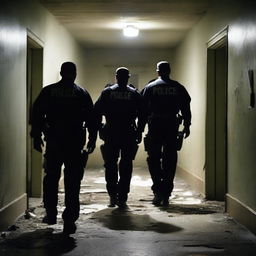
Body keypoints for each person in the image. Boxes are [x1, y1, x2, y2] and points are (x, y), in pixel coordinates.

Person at [30, 62, 96, 234]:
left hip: (54, 141)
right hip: (74, 142)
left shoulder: (49, 91)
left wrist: (36, 137)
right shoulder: (81, 92)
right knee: (73, 181)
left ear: (61, 73)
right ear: (74, 74)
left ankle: (51, 214)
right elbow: (91, 118)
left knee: (51, 178)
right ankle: (69, 221)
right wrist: (92, 139)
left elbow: (36, 114)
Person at [142, 61, 191, 206]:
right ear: (169, 71)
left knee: (154, 159)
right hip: (171, 126)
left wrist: (139, 129)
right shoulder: (178, 87)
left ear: (157, 72)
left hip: (155, 126)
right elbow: (186, 108)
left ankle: (158, 191)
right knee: (170, 159)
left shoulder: (150, 87)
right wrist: (187, 125)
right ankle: (167, 193)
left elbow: (143, 109)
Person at [94, 67, 144, 208]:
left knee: (110, 164)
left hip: (111, 132)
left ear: (116, 77)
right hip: (128, 132)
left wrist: (99, 128)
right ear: (128, 77)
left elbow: (96, 111)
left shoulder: (107, 92)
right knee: (126, 165)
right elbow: (143, 113)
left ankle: (112, 195)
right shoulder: (134, 93)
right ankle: (122, 197)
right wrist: (139, 131)